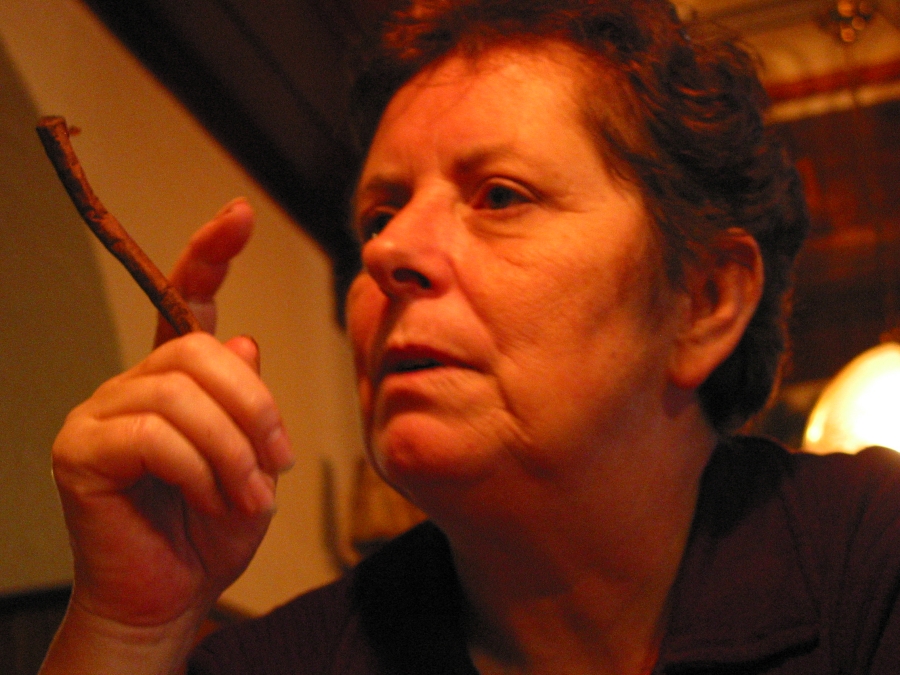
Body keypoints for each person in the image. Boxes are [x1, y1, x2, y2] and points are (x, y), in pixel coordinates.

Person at [39, 1, 900, 674]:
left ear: (704, 300)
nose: (387, 252)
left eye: (500, 196)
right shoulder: (284, 662)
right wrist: (125, 628)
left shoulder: (872, 561)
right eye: (380, 214)